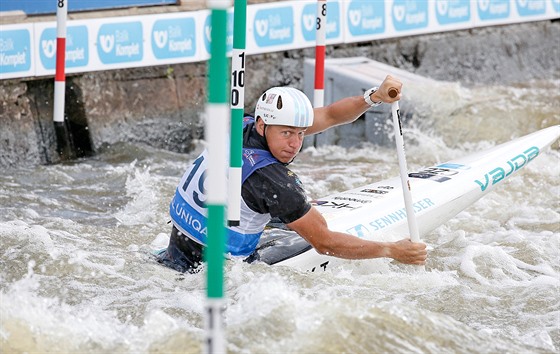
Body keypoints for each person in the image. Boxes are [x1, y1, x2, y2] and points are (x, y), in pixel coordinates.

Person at [156, 75, 427, 273]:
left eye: (300, 134)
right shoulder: (273, 181)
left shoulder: (245, 125)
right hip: (213, 275)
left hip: (175, 250)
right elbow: (325, 243)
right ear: (264, 125)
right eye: (287, 133)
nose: (295, 144)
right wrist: (391, 250)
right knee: (310, 231)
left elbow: (331, 115)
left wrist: (374, 97)